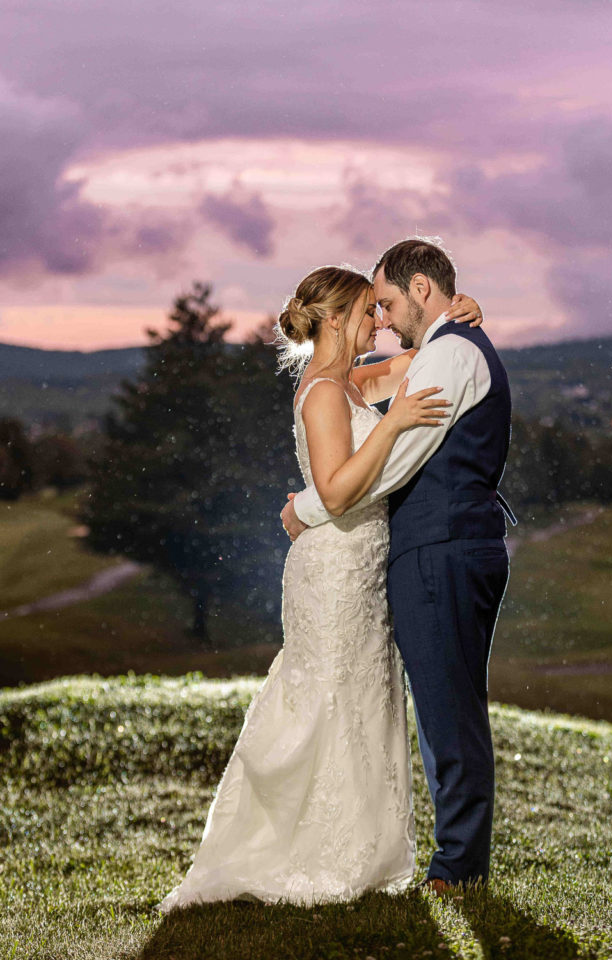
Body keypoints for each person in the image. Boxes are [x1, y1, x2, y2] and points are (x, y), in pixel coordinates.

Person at [156, 263, 483, 910]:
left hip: (362, 566)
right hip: (333, 570)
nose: (379, 323)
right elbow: (334, 492)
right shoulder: (326, 393)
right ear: (335, 319)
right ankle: (305, 850)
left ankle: (361, 850)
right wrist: (392, 426)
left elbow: (421, 359)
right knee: (328, 696)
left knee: (362, 698)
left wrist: (458, 313)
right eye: (369, 312)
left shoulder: (350, 382)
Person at [282, 237, 515, 896]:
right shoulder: (407, 360)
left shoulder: (450, 352)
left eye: (384, 303)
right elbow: (373, 396)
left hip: (440, 549)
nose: (379, 319)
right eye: (368, 310)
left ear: (419, 290)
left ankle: (458, 866)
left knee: (447, 710)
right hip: (417, 551)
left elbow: (401, 462)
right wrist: (456, 316)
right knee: (417, 706)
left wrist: (306, 507)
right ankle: (378, 845)